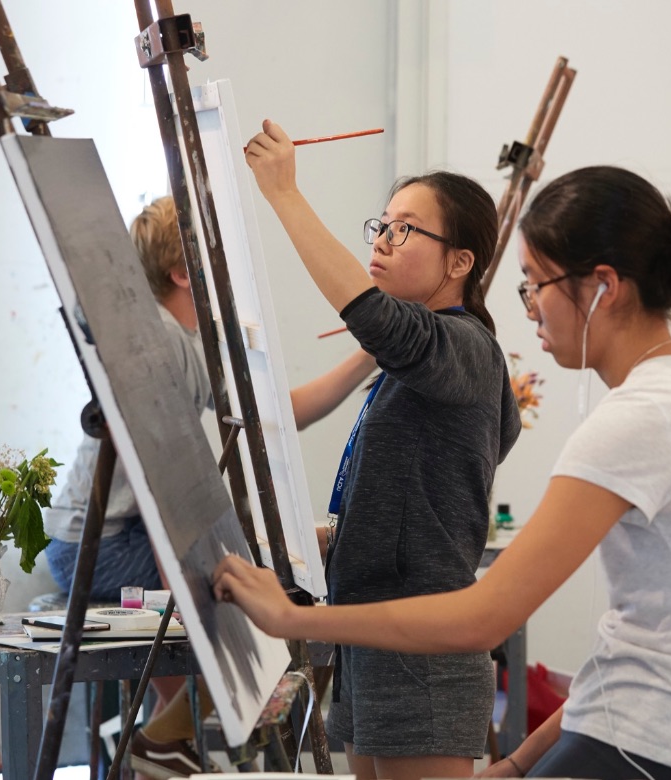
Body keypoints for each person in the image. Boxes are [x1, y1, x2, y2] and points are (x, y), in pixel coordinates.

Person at [213, 166, 671, 780]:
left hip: (650, 751)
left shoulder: (641, 418)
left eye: (538, 283)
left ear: (604, 287)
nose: (531, 306)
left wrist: (294, 619)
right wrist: (516, 763)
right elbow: (634, 643)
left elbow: (486, 615)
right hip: (637, 734)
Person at [39, 196, 375, 778]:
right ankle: (161, 741)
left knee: (263, 591)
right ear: (178, 271)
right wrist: (193, 585)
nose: (225, 261)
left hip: (125, 535)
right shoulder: (160, 341)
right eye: (209, 250)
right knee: (262, 602)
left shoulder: (187, 340)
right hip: (105, 544)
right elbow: (161, 484)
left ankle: (163, 739)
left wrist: (370, 353)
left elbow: (275, 413)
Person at [241, 119, 521, 780]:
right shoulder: (414, 367)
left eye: (407, 229)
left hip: (421, 653)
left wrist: (284, 193)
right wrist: (343, 535)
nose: (384, 241)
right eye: (383, 225)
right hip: (369, 640)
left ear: (460, 262)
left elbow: (368, 312)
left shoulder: (465, 346)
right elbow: (423, 494)